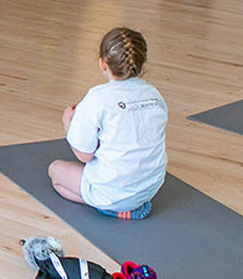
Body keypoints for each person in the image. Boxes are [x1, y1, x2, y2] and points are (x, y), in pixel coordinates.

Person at [48, 27, 167, 220]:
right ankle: (126, 203)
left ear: (102, 63)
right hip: (150, 188)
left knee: (55, 173)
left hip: (111, 192)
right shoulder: (154, 94)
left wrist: (68, 123)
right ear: (141, 63)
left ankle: (112, 207)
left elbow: (84, 156)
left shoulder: (97, 97)